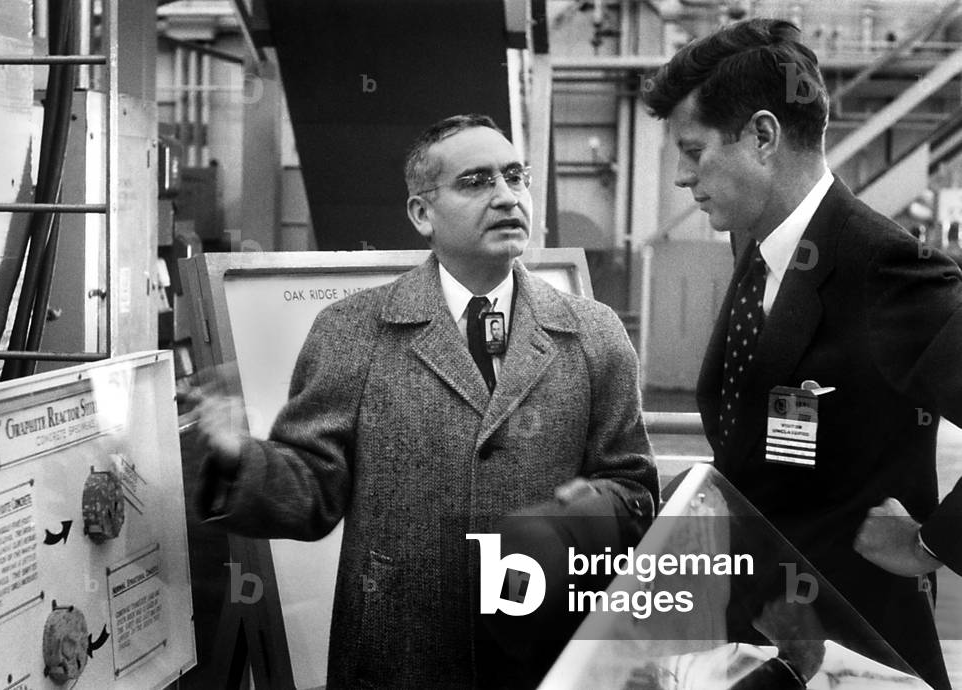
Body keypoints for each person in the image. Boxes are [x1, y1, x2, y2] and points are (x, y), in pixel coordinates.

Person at [193, 113, 659, 689]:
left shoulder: (593, 333)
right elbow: (316, 488)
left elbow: (635, 487)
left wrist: (587, 512)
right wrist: (241, 457)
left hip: (545, 655)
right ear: (422, 214)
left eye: (517, 177)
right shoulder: (353, 331)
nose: (507, 197)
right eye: (477, 182)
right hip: (399, 653)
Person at [642, 18, 962, 690]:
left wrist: (931, 543)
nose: (679, 177)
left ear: (761, 137)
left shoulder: (884, 267)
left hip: (858, 653)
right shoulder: (757, 252)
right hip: (760, 647)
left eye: (693, 151)